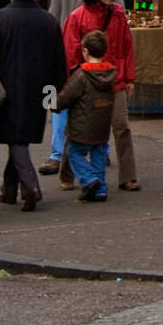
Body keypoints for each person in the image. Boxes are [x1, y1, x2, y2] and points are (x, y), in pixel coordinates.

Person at [42, 0, 120, 177]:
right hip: (69, 52)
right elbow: (54, 17)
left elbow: (118, 12)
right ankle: (58, 154)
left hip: (98, 53)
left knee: (98, 106)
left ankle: (99, 149)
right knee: (61, 104)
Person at [60, 0, 140, 192]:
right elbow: (71, 52)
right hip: (89, 84)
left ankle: (128, 176)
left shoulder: (117, 14)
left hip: (116, 80)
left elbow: (126, 46)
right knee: (80, 129)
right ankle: (67, 173)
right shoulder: (77, 17)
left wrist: (130, 78)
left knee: (121, 127)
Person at [0, 0, 66, 211]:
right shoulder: (49, 20)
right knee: (19, 138)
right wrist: (52, 92)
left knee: (15, 138)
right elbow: (59, 62)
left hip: (7, 91)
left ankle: (31, 187)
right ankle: (8, 190)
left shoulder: (0, 19)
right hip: (38, 91)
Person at [55, 29, 116, 202]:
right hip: (102, 125)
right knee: (98, 154)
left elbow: (66, 96)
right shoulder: (111, 73)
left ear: (85, 51)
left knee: (74, 152)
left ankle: (90, 179)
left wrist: (53, 104)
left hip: (82, 125)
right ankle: (100, 189)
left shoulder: (81, 75)